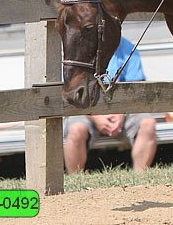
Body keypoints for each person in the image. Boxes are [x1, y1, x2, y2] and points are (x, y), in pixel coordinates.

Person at [63, 37, 157, 173]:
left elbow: (136, 89)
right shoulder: (77, 49)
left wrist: (121, 113)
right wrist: (95, 116)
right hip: (85, 109)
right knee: (76, 129)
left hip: (123, 109)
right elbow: (71, 94)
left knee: (148, 123)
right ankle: (74, 179)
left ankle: (140, 178)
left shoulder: (128, 47)